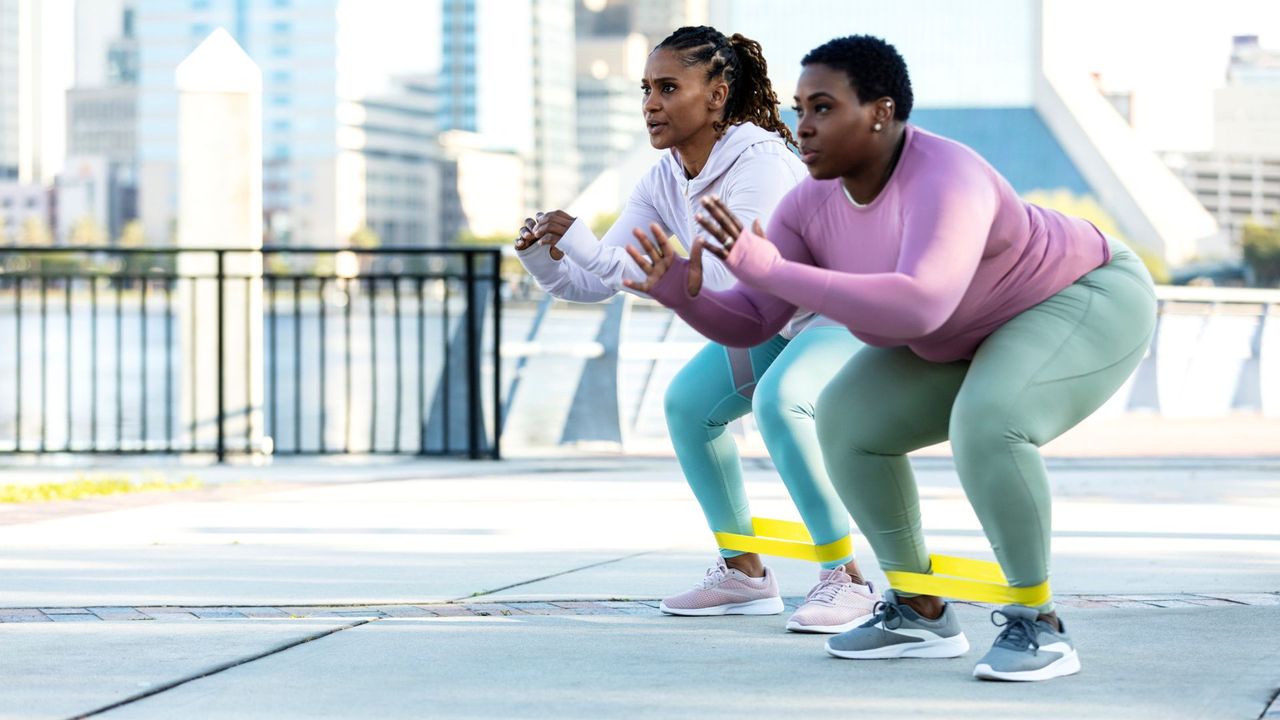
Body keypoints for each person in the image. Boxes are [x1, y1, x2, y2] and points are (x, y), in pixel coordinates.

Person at [626, 34, 1157, 681]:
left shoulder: (945, 175)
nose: (804, 126)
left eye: (823, 108)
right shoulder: (809, 203)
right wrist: (677, 293)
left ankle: (1038, 625)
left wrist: (772, 268)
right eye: (798, 109)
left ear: (879, 111)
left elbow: (921, 306)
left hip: (1076, 297)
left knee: (989, 423)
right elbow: (757, 318)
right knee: (846, 422)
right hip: (964, 331)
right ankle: (920, 608)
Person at [515, 26, 879, 632]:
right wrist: (545, 256)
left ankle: (847, 580)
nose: (650, 104)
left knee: (782, 402)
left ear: (716, 97)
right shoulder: (663, 176)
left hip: (841, 312)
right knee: (688, 405)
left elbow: (720, 277)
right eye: (645, 90)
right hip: (774, 319)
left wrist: (580, 237)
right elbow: (599, 282)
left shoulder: (760, 164)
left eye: (667, 88)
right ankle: (745, 574)